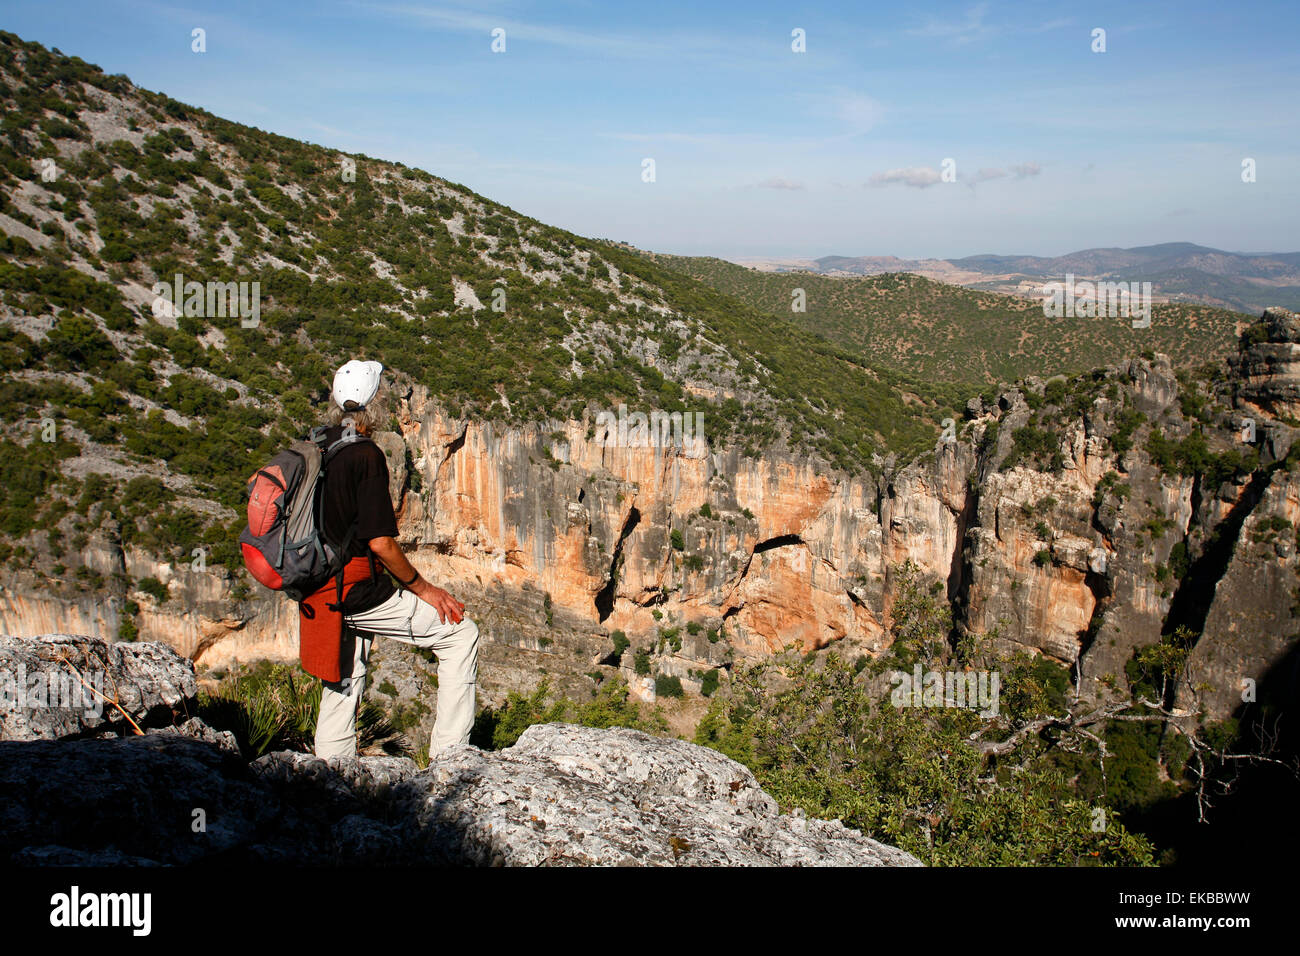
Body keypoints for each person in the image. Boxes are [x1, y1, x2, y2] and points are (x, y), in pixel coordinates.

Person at [301, 359, 479, 759]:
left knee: (345, 673)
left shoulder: (317, 444)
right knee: (459, 635)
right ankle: (450, 759)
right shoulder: (364, 455)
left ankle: (331, 770)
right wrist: (426, 589)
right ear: (376, 402)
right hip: (355, 588)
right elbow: (380, 542)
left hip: (317, 586)